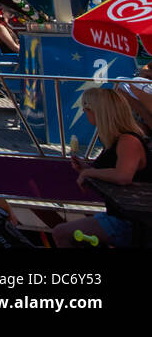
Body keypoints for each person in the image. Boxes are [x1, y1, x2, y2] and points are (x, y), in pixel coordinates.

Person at [52, 88, 152, 248]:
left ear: (97, 111)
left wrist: (89, 172)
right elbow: (113, 170)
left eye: (86, 109)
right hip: (119, 214)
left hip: (133, 222)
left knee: (61, 233)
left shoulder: (128, 140)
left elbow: (123, 175)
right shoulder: (114, 139)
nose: (84, 113)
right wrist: (86, 169)